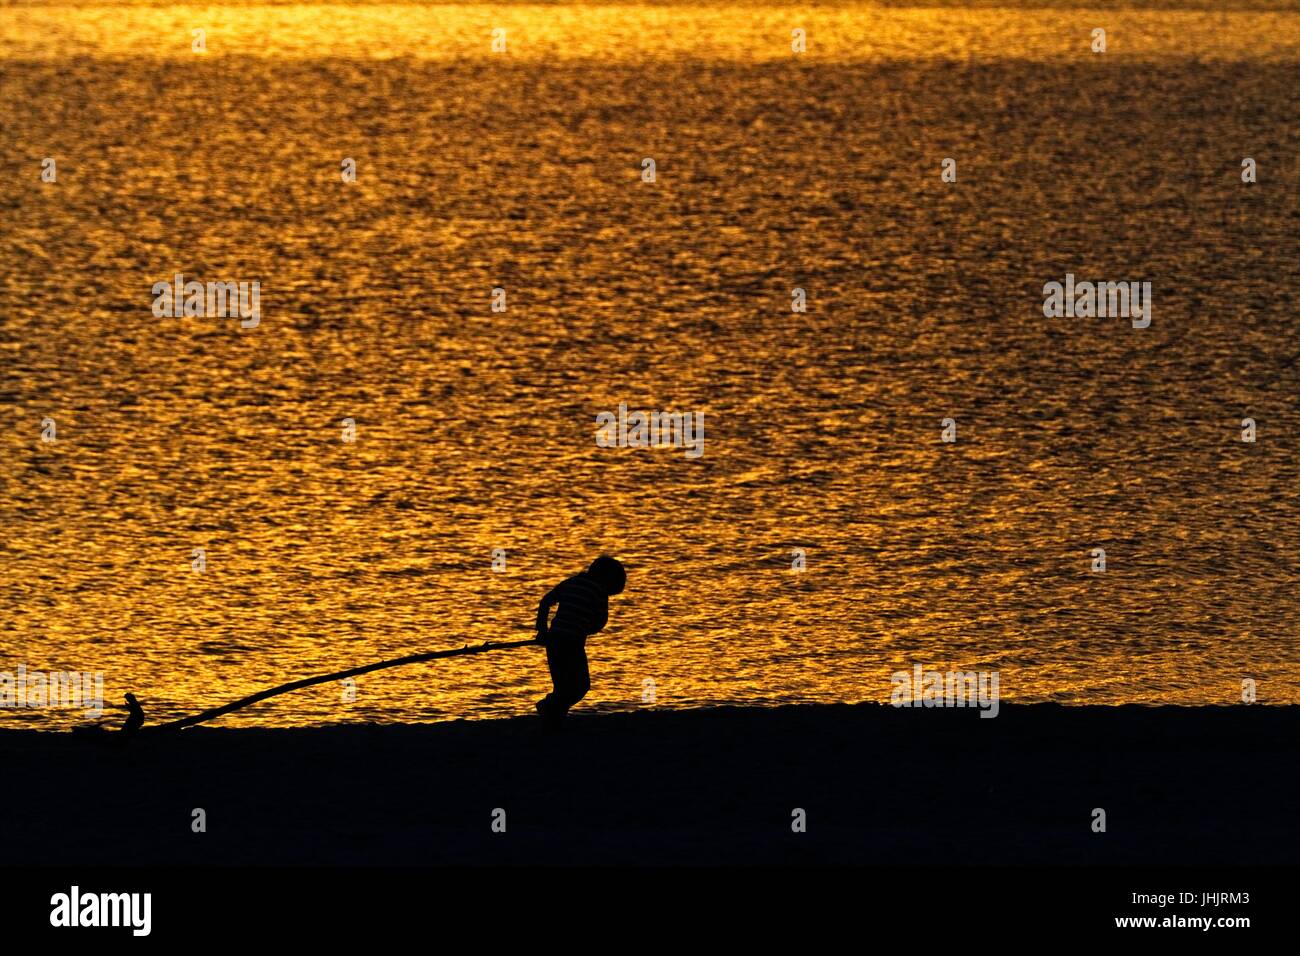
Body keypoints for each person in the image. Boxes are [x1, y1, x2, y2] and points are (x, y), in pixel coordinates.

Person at [534, 556, 626, 727]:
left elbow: (546, 601)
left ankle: (553, 720)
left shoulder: (571, 583)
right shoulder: (600, 592)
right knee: (581, 686)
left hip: (554, 641)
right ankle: (548, 706)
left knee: (561, 685)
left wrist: (542, 629)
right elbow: (600, 621)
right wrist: (585, 628)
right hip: (572, 644)